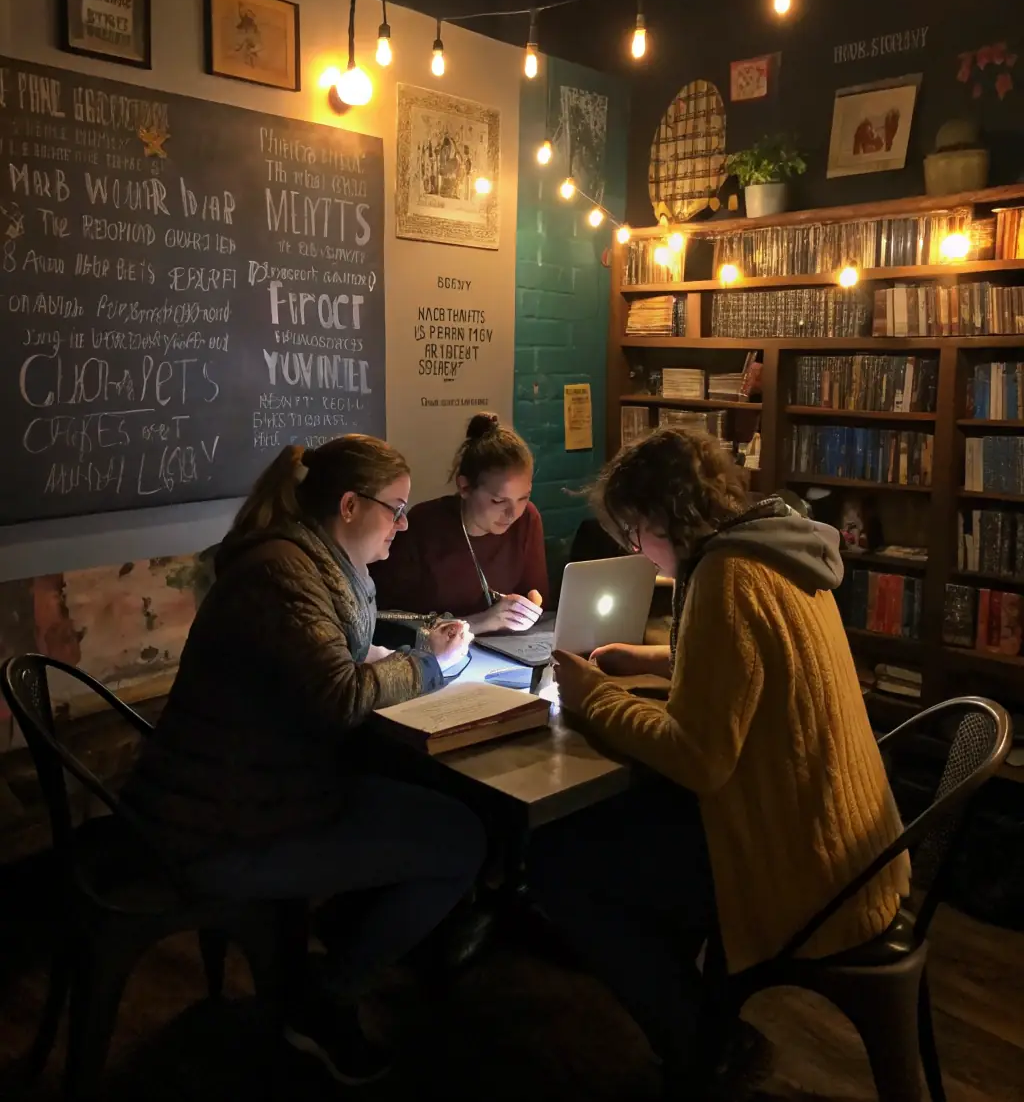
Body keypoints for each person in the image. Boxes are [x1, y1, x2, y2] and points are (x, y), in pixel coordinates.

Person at [529, 428, 910, 1080]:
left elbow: (698, 757)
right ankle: (699, 1026)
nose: (637, 553)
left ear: (655, 519)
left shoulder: (724, 577)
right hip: (853, 844)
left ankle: (709, 1047)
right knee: (638, 828)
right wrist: (647, 656)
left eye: (632, 534)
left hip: (804, 871)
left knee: (559, 864)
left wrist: (592, 696)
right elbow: (751, 660)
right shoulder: (774, 544)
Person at [124, 436, 486, 1086]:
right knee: (460, 839)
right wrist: (434, 663)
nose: (404, 524)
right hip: (222, 826)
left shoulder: (310, 561)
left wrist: (404, 646)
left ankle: (319, 964)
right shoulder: (281, 573)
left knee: (428, 810)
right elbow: (338, 693)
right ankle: (327, 994)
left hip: (255, 796)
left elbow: (331, 648)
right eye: (395, 509)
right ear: (350, 505)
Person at [373, 412, 549, 635]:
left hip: (505, 652)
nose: (512, 513)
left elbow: (537, 596)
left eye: (524, 497)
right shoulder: (421, 526)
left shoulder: (527, 519)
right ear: (464, 487)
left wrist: (530, 606)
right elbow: (386, 620)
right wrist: (481, 622)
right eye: (498, 500)